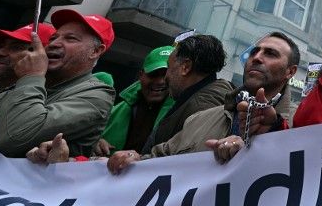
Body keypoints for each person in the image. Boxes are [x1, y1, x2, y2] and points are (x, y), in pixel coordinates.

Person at [106, 32, 299, 173]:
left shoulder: (301, 123)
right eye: (254, 52)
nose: (256, 58)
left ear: (290, 72)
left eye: (270, 54)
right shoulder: (199, 119)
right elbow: (156, 159)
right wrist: (133, 159)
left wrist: (258, 147)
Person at [0, 10, 115, 157]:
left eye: (71, 39)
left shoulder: (97, 96)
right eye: (53, 38)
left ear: (95, 51)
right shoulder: (25, 84)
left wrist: (32, 77)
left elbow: (15, 137)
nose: (54, 44)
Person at [138, 33, 233, 152]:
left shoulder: (201, 107)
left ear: (185, 67)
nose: (166, 77)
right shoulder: (204, 99)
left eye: (169, 67)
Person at [93, 46, 174, 156]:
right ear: (141, 75)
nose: (160, 81)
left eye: (166, 75)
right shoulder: (118, 109)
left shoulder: (181, 113)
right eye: (153, 74)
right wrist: (96, 141)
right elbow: (89, 134)